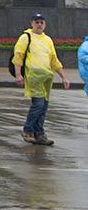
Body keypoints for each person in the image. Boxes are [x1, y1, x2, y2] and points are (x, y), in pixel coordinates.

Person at [13, 13, 70, 145]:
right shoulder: (26, 37)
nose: (39, 24)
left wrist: (64, 77)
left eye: (41, 22)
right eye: (36, 22)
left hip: (46, 77)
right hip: (33, 76)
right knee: (38, 104)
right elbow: (18, 56)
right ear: (32, 23)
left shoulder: (47, 40)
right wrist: (18, 75)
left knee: (44, 107)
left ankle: (39, 134)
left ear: (45, 24)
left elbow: (54, 60)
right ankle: (28, 130)